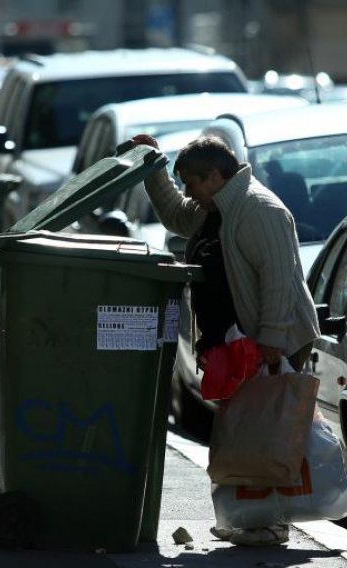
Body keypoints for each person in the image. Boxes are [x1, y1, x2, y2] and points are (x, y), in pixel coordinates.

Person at [132, 133, 320, 547]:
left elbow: (279, 281)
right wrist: (155, 167)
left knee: (268, 435)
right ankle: (249, 518)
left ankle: (271, 523)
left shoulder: (259, 209)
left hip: (273, 342)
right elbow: (177, 217)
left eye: (192, 183)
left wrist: (270, 340)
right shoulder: (217, 207)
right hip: (241, 344)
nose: (189, 194)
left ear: (215, 176)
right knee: (244, 435)